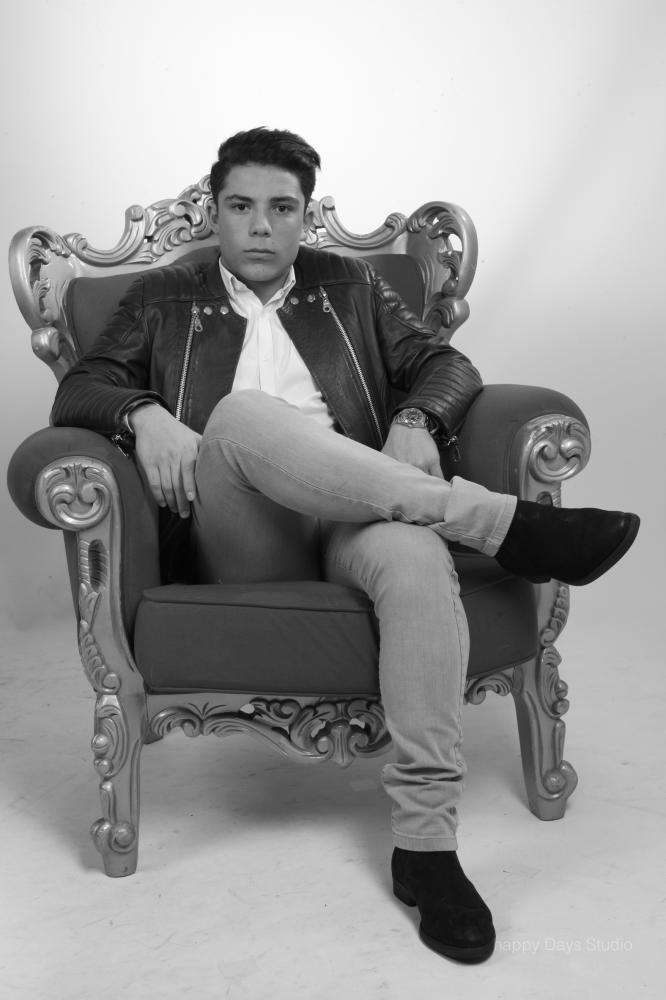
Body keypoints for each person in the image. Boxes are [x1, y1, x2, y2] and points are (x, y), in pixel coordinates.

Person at [51, 127, 639, 964]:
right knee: (243, 416)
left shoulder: (350, 284)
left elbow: (446, 366)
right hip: (241, 531)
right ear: (215, 212)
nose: (261, 226)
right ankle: (501, 524)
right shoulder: (164, 294)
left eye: (281, 208)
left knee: (416, 558)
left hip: (355, 507)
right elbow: (81, 386)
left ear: (304, 216)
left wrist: (416, 416)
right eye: (241, 206)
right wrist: (140, 413)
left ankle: (427, 848)